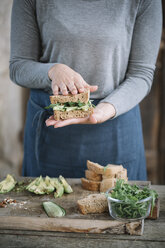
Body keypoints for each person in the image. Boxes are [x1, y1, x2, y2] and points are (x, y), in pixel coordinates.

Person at [10, 0, 162, 179]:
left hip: (115, 122)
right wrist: (53, 71)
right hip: (51, 128)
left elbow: (141, 74)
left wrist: (103, 111)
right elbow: (18, 66)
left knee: (122, 202)